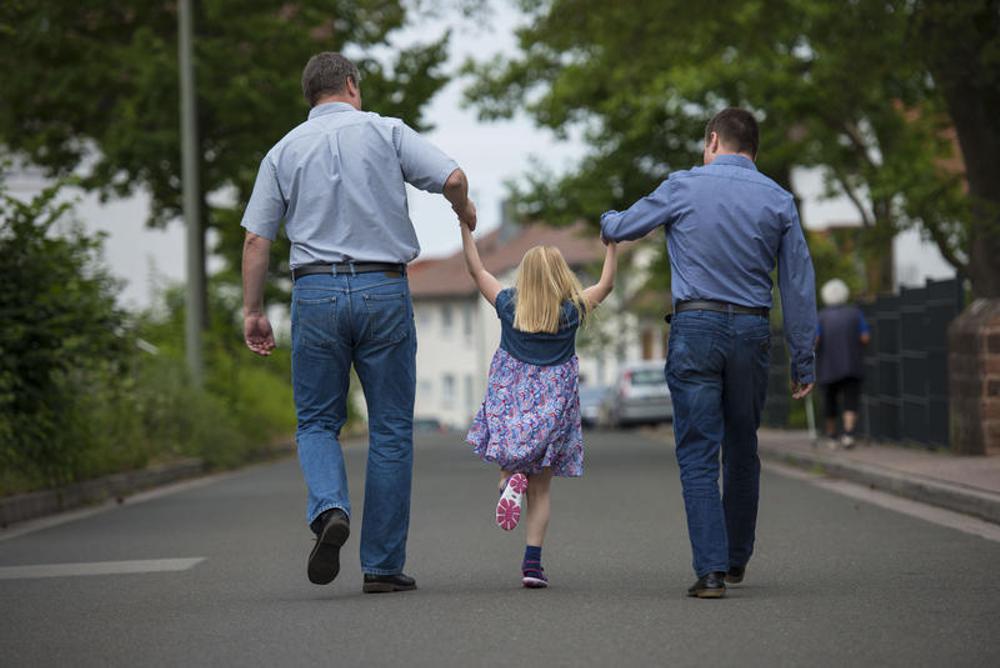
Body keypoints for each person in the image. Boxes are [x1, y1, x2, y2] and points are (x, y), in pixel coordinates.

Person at [240, 52, 476, 593]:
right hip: (382, 287)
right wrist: (463, 210)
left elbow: (257, 239)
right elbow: (453, 177)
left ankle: (329, 510)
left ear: (310, 96)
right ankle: (383, 566)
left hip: (316, 293)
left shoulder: (282, 151)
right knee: (391, 429)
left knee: (318, 422)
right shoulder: (386, 132)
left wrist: (254, 311)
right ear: (350, 85)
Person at [600, 108, 817, 599]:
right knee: (743, 445)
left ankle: (711, 572)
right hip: (752, 330)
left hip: (696, 325)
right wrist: (803, 357)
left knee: (698, 450)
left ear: (713, 140)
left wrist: (606, 222)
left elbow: (626, 226)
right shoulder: (779, 200)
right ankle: (737, 558)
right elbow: (798, 285)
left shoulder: (682, 186)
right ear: (753, 150)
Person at [460, 220, 618, 589]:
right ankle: (532, 565)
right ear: (562, 277)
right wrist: (612, 244)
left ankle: (507, 483)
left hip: (510, 403)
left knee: (511, 463)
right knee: (541, 490)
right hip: (551, 408)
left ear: (524, 277)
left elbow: (476, 269)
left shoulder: (508, 305)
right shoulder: (571, 312)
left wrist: (465, 228)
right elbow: (607, 284)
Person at [816, 278, 870, 449]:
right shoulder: (855, 313)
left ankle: (832, 436)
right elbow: (865, 337)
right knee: (851, 399)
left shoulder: (821, 317)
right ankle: (848, 434)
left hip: (828, 365)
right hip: (851, 363)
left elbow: (815, 340)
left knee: (829, 400)